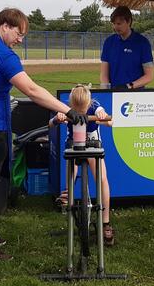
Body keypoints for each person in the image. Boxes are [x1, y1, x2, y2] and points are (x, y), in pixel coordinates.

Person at [0, 8, 86, 263]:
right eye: (19, 33)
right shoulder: (4, 55)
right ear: (5, 25)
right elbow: (31, 89)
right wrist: (68, 110)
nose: (20, 39)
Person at [49, 84, 115, 245]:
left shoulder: (94, 106)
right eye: (76, 109)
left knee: (102, 179)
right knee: (71, 169)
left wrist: (103, 115)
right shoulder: (66, 107)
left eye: (83, 109)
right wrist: (58, 117)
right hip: (73, 144)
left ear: (89, 103)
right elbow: (51, 123)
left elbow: (110, 122)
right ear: (71, 104)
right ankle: (68, 193)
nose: (80, 112)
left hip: (93, 144)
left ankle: (105, 222)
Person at [100, 6, 154, 90]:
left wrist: (129, 86)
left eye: (119, 24)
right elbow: (104, 73)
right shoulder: (109, 42)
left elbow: (149, 76)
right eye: (114, 24)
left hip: (135, 96)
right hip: (113, 94)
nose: (115, 27)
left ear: (129, 22)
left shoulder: (143, 43)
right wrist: (106, 88)